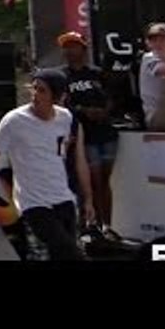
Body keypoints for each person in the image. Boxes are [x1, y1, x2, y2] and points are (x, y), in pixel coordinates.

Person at [0, 69, 95, 261]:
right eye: (34, 89)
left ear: (57, 96)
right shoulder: (15, 120)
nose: (35, 95)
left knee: (61, 254)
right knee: (68, 250)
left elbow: (76, 160)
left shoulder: (65, 118)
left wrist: (87, 199)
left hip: (63, 198)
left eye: (42, 91)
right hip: (34, 203)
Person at [57, 31, 117, 235]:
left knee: (105, 181)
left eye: (74, 45)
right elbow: (63, 105)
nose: (70, 50)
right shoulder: (61, 76)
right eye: (67, 46)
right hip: (83, 136)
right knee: (92, 180)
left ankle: (107, 225)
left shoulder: (97, 73)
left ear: (83, 49)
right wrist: (84, 111)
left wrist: (104, 111)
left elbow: (112, 97)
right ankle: (92, 226)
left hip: (106, 132)